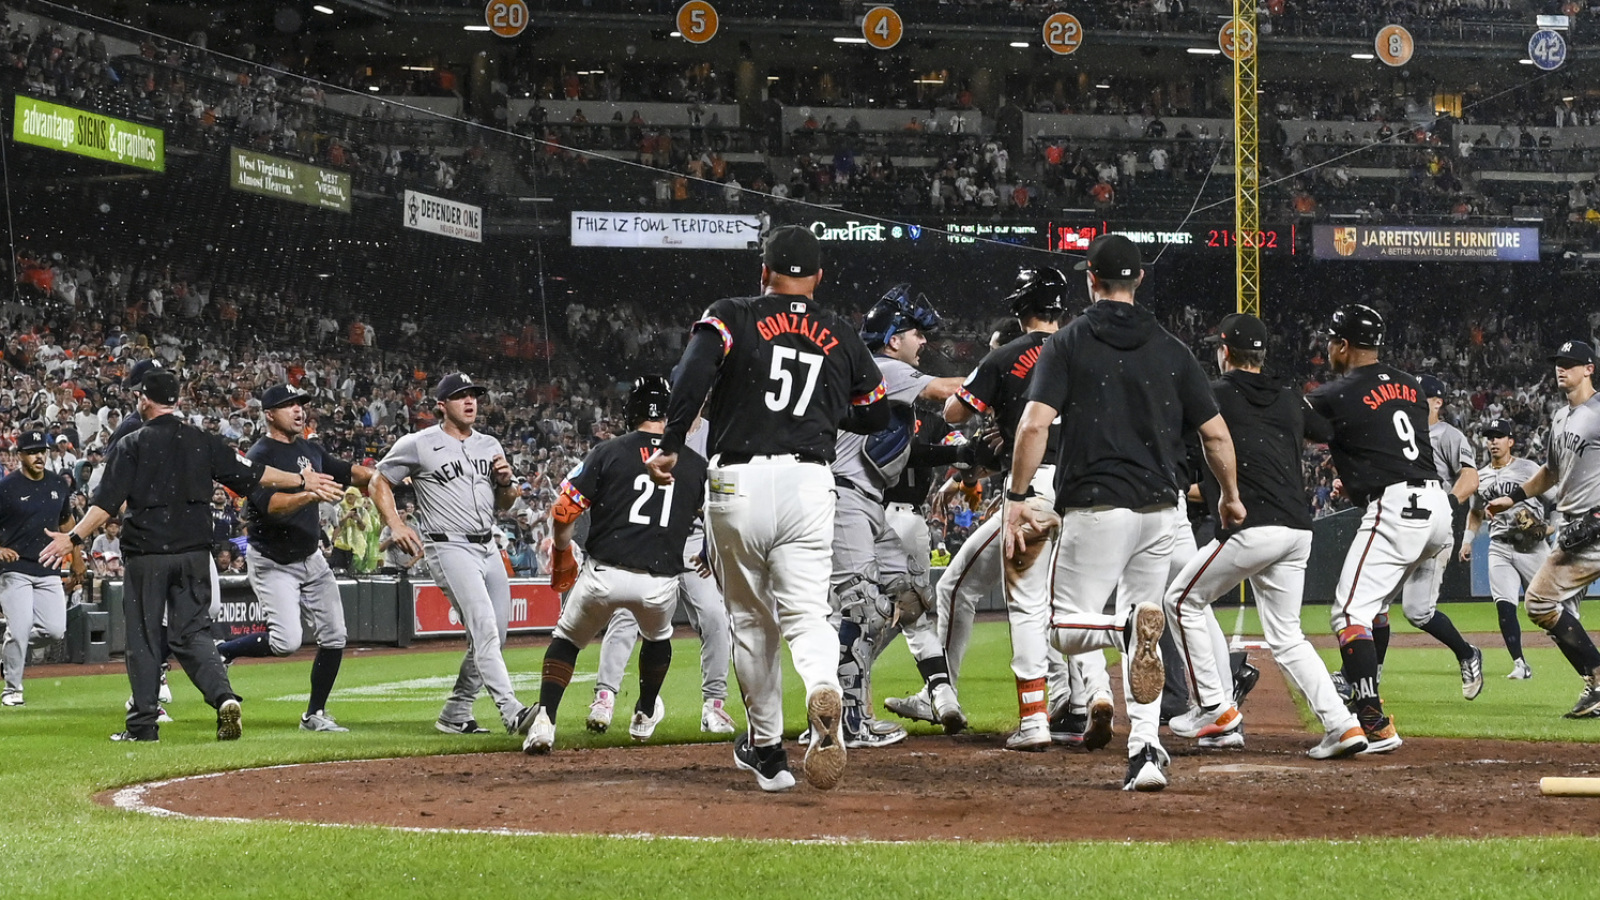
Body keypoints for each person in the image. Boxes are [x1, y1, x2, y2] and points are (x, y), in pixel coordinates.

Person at [645, 225, 889, 793]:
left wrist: (672, 440)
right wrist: (825, 415)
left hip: (740, 482)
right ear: (819, 277)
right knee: (806, 613)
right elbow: (876, 412)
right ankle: (823, 686)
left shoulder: (733, 312)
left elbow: (693, 372)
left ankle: (769, 752)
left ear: (765, 271)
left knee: (753, 623)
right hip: (809, 481)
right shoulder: (840, 331)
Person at [1003, 234, 1245, 792]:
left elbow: (1034, 424)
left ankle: (1128, 628)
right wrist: (1230, 494)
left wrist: (1016, 501)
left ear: (1091, 278)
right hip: (1162, 509)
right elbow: (1215, 434)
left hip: (1098, 505)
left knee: (1063, 629)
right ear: (1139, 281)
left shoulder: (1067, 342)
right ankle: (1146, 749)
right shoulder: (1171, 347)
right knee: (1146, 634)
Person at [41, 370, 340, 742]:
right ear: (177, 401)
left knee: (145, 639)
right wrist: (302, 480)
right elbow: (254, 473)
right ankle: (224, 697)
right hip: (195, 555)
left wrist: (71, 538)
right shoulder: (203, 440)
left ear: (144, 400)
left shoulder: (132, 443)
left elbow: (105, 505)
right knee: (194, 634)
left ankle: (143, 726)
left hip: (148, 555)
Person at [895, 270, 1092, 752]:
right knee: (1071, 602)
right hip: (1088, 490)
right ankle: (1085, 700)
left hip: (1034, 488)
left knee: (965, 588)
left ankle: (1015, 711)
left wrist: (1002, 394)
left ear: (1021, 305)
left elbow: (954, 414)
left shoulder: (1006, 354)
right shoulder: (1087, 352)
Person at [1162, 315, 1367, 759]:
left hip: (1253, 525)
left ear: (1225, 351)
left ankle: (1213, 706)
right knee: (1288, 637)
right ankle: (1342, 724)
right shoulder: (1291, 397)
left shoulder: (1214, 394)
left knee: (1180, 601)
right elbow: (1327, 432)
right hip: (1297, 529)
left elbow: (1178, 430)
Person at [522, 376, 709, 753]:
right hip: (658, 582)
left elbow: (563, 509)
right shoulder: (694, 462)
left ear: (631, 410)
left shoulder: (609, 451)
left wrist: (561, 552)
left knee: (567, 642)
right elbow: (720, 519)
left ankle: (545, 721)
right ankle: (643, 712)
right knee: (657, 639)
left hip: (604, 574)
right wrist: (710, 554)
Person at [1306, 303, 1449, 755]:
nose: (1328, 348)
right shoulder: (1409, 384)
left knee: (1348, 615)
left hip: (1397, 506)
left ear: (1343, 345)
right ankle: (1363, 688)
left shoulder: (1336, 391)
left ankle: (1372, 720)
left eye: (1332, 341)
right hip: (1436, 507)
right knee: (1374, 608)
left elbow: (1304, 425)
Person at [827, 284, 966, 748]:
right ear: (893, 339)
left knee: (905, 597)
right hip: (846, 500)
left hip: (868, 504)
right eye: (915, 334)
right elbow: (952, 390)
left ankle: (859, 706)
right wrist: (1013, 368)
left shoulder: (878, 368)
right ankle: (846, 720)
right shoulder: (886, 367)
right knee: (858, 609)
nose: (923, 343)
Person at [214, 384, 397, 732]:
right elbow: (270, 508)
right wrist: (308, 492)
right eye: (288, 405)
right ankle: (225, 650)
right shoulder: (260, 453)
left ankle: (314, 714)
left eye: (300, 404)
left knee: (335, 635)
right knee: (286, 643)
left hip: (311, 558)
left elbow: (347, 471)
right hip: (273, 560)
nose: (298, 410)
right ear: (270, 414)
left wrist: (380, 475)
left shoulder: (309, 448)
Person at [373, 373, 537, 740]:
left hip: (487, 544)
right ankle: (512, 712)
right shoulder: (419, 443)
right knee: (484, 629)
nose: (470, 402)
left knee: (497, 632)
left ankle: (456, 711)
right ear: (441, 405)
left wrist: (508, 484)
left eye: (474, 395)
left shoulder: (490, 444)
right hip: (447, 546)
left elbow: (505, 504)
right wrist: (396, 523)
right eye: (461, 396)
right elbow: (378, 480)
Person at [586, 413, 735, 737]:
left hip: (696, 541)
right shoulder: (656, 432)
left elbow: (723, 494)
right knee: (626, 614)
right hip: (653, 536)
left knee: (715, 617)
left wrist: (713, 545)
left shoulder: (718, 432)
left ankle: (714, 706)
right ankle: (604, 697)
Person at [1484, 340, 1600, 718]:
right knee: (1550, 607)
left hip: (1594, 524)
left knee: (1538, 602)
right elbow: (1550, 472)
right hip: (1573, 528)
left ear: (1589, 369)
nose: (1560, 369)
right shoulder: (1560, 417)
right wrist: (1513, 497)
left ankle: (1598, 681)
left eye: (1570, 363)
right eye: (1558, 362)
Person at [1388, 374, 1483, 699]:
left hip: (1433, 532)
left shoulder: (1449, 435)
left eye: (1419, 396)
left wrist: (1444, 505)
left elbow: (1470, 478)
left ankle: (1467, 653)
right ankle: (1361, 679)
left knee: (1418, 612)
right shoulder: (1401, 435)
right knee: (1371, 607)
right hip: (1400, 528)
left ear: (1437, 402)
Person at [1464, 418, 1561, 680]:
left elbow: (1558, 502)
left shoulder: (1529, 468)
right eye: (1489, 436)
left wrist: (1551, 530)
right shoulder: (1480, 476)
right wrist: (1467, 540)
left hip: (1533, 547)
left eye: (1498, 436)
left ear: (1511, 441)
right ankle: (1520, 663)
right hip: (1500, 546)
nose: (1493, 441)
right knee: (1505, 607)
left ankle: (1583, 659)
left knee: (1552, 608)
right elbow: (1474, 512)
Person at [0, 431, 77, 708]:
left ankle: (10, 652)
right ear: (19, 455)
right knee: (19, 630)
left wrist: (78, 562)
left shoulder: (58, 483)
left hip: (49, 567)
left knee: (55, 630)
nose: (39, 456)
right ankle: (12, 688)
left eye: (42, 451)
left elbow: (67, 526)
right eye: (32, 451)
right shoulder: (6, 487)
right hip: (15, 568)